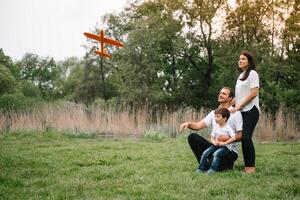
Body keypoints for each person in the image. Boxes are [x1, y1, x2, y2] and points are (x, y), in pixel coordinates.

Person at [180, 87, 243, 172]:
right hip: (215, 146)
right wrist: (188, 124)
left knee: (214, 164)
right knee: (192, 137)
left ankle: (226, 164)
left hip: (229, 151)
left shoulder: (235, 113)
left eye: (224, 93)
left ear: (230, 98)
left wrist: (226, 139)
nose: (220, 94)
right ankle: (204, 166)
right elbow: (199, 125)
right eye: (220, 93)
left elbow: (240, 135)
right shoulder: (214, 113)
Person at [230, 51, 260, 174]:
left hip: (251, 110)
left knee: (246, 138)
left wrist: (238, 106)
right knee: (241, 137)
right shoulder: (241, 75)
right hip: (241, 110)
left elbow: (253, 93)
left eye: (243, 59)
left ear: (249, 61)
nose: (240, 60)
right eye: (239, 59)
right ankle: (226, 160)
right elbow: (240, 95)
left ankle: (250, 167)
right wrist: (231, 102)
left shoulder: (253, 73)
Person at [197, 108, 237, 175]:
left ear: (224, 118)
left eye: (218, 116)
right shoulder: (216, 127)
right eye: (215, 116)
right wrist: (214, 142)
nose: (215, 118)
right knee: (205, 153)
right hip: (216, 145)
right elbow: (212, 137)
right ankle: (200, 168)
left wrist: (224, 143)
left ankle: (212, 170)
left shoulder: (228, 127)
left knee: (216, 154)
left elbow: (234, 138)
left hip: (225, 147)